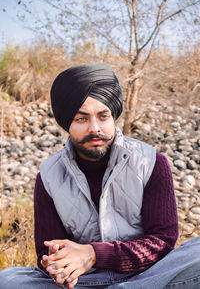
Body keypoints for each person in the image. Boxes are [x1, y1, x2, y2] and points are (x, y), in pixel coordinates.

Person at [0, 63, 200, 289]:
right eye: (82, 119)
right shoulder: (48, 177)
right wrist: (55, 263)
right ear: (67, 123)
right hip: (85, 282)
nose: (95, 128)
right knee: (8, 281)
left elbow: (162, 243)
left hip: (147, 277)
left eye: (103, 116)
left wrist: (94, 253)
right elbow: (45, 254)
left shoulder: (150, 162)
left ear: (113, 116)